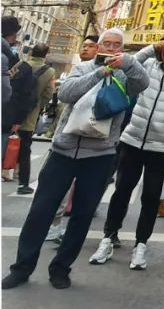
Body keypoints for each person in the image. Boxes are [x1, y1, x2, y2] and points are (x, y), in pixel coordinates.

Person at [2, 28, 149, 291]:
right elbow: (67, 94)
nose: (111, 48)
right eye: (107, 43)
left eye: (117, 45)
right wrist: (100, 72)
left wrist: (127, 63)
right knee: (41, 211)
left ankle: (61, 269)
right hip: (63, 150)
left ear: (122, 49)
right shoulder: (83, 68)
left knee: (82, 215)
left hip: (100, 155)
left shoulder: (126, 76)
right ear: (99, 46)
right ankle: (21, 268)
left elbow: (143, 82)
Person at [89, 29, 164, 271]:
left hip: (161, 146)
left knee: (151, 197)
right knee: (122, 191)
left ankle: (141, 245)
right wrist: (152, 47)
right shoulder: (149, 64)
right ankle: (108, 238)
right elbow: (127, 65)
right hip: (133, 139)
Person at [43, 35, 100, 244]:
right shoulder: (79, 70)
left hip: (92, 140)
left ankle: (61, 225)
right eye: (83, 46)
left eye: (90, 46)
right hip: (66, 137)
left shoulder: (107, 73)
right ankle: (52, 224)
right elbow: (64, 97)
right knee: (56, 186)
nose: (85, 49)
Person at [11, 44, 56, 193]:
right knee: (25, 149)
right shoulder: (49, 71)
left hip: (11, 112)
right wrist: (37, 106)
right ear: (46, 54)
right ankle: (23, 184)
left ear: (31, 52)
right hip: (30, 115)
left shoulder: (20, 65)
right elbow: (48, 94)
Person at [2, 15, 34, 142]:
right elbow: (25, 96)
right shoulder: (22, 67)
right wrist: (18, 120)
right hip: (5, 121)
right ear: (14, 35)